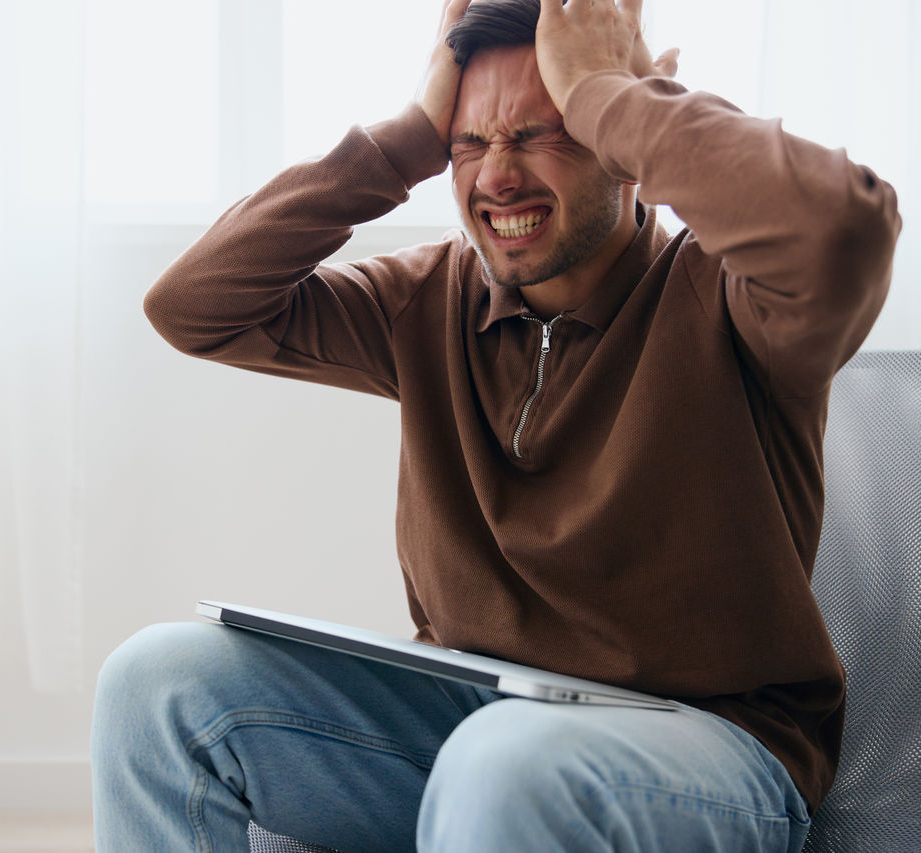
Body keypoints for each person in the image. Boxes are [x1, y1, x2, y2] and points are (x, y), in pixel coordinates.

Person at [92, 0, 901, 849]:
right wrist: (405, 137)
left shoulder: (735, 301)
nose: (497, 176)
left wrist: (608, 94)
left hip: (706, 749)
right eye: (469, 144)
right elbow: (192, 306)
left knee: (505, 758)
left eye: (542, 131)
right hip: (467, 716)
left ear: (621, 146)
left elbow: (844, 229)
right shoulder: (426, 299)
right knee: (158, 682)